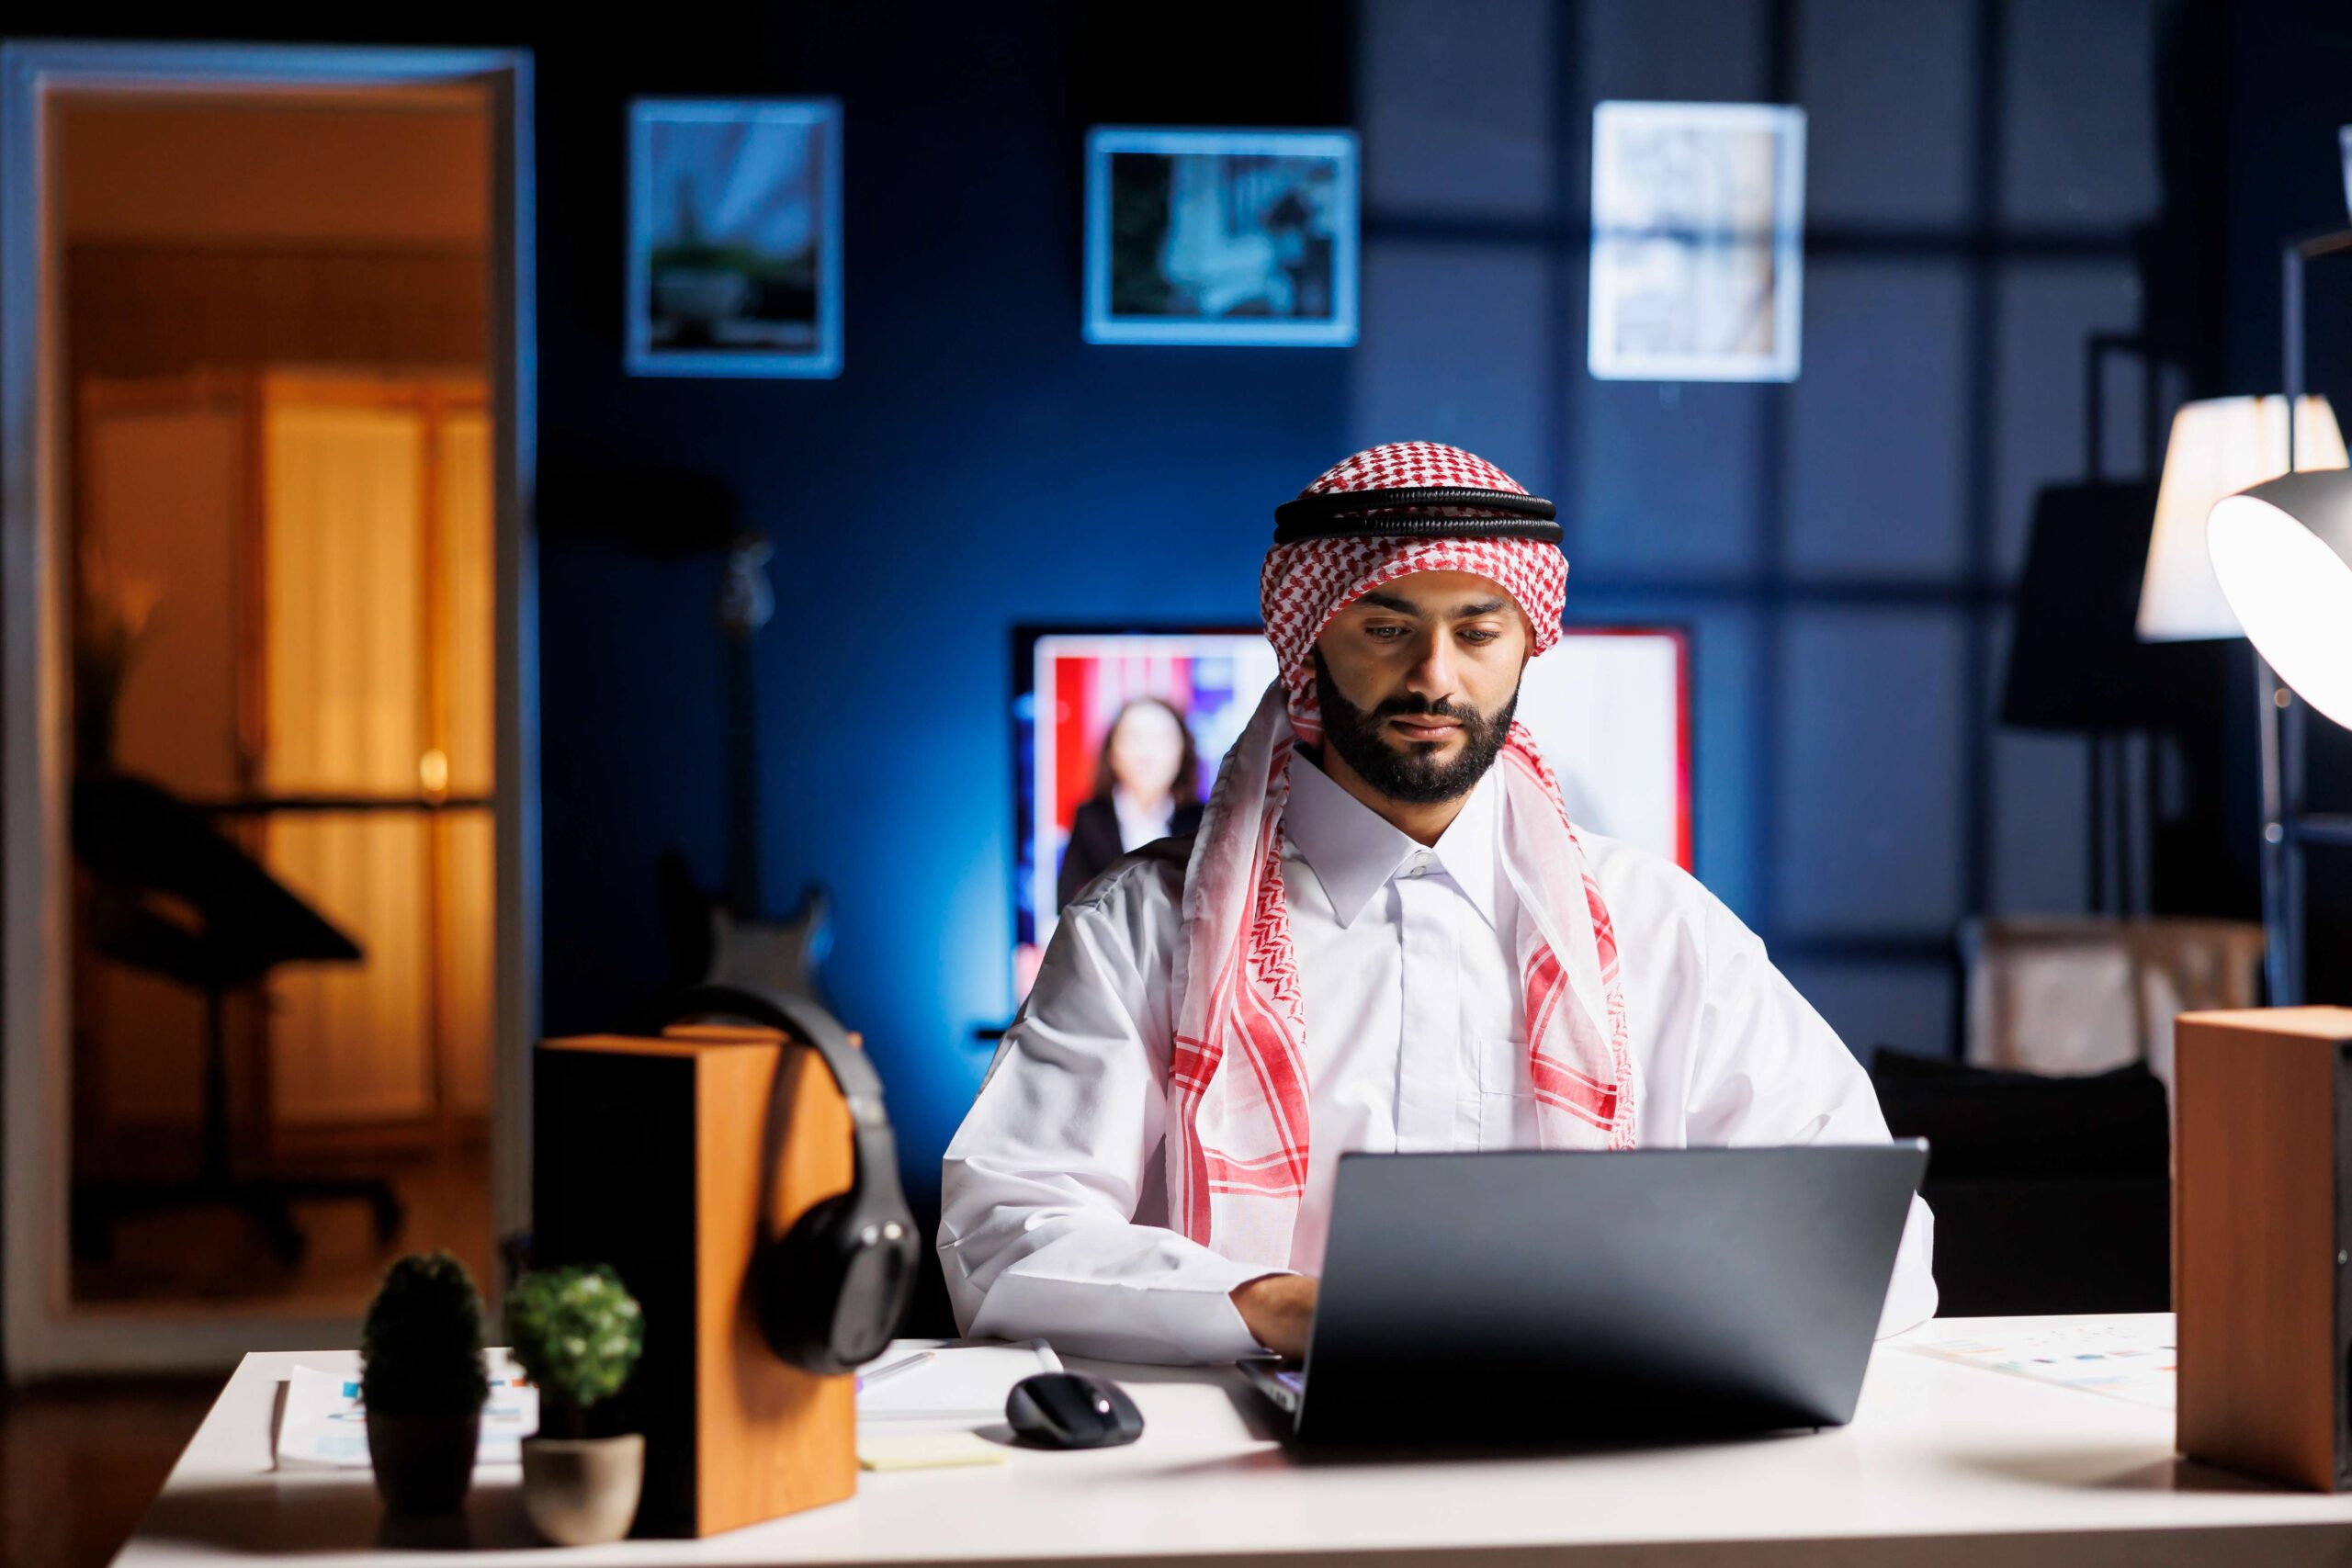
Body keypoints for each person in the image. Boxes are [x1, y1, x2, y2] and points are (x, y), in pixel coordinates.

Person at [941, 442, 1937, 1364]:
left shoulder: (1655, 923)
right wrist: (1277, 1308)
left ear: (1524, 646)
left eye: (1476, 630)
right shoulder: (1139, 930)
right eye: (1386, 628)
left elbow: (1872, 1238)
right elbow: (1001, 1233)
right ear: (1310, 642)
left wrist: (1638, 1311)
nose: (1434, 676)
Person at [1056, 696, 1205, 911]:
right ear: (1111, 753)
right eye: (1133, 738)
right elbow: (1066, 903)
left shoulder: (1203, 820)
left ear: (1182, 753)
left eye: (1160, 739)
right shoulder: (1090, 819)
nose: (1146, 753)